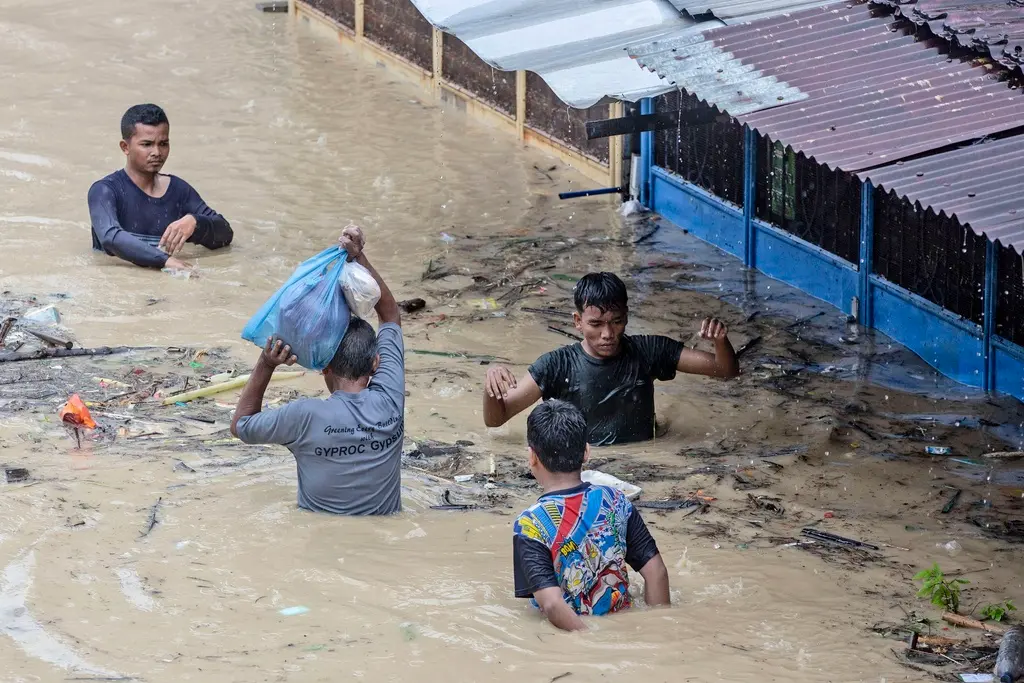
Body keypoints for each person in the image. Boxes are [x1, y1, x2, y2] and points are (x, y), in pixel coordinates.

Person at [229, 226, 405, 515]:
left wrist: (266, 363)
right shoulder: (390, 401)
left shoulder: (304, 416)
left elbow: (241, 425)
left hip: (319, 537)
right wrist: (358, 257)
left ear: (325, 367)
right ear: (376, 363)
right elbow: (390, 315)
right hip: (385, 534)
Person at [483, 272, 739, 445]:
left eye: (616, 322)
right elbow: (496, 420)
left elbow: (725, 370)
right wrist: (491, 385)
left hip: (645, 456)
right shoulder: (556, 365)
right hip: (587, 463)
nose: (607, 334)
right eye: (595, 324)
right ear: (578, 322)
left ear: (626, 316)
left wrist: (720, 341)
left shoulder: (649, 350)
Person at [512, 400, 670, 631]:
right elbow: (657, 573)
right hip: (622, 623)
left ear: (532, 457)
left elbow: (552, 604)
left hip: (574, 637)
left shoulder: (530, 525)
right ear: (586, 451)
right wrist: (660, 628)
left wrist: (592, 640)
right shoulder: (616, 501)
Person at [87, 103, 233, 270]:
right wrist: (165, 261)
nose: (157, 152)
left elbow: (225, 236)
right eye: (147, 144)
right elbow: (110, 237)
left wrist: (195, 222)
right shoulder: (104, 190)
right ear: (125, 147)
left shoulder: (179, 191)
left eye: (163, 144)